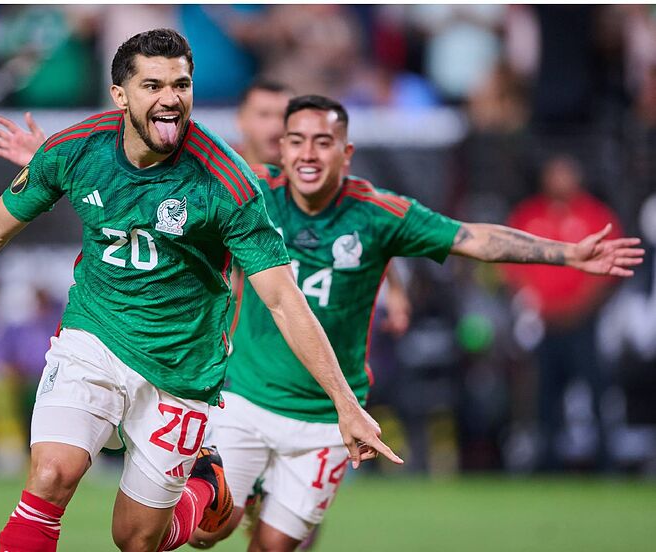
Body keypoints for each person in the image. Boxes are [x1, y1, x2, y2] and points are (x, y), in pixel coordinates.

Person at [0, 30, 399, 552]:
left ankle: (204, 485)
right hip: (94, 338)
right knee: (50, 475)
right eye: (153, 85)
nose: (171, 99)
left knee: (135, 539)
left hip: (181, 367)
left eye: (181, 85)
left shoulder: (227, 184)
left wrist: (345, 405)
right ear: (120, 94)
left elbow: (281, 298)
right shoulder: (76, 149)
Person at [189, 96, 643, 551]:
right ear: (281, 150)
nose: (308, 154)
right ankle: (241, 495)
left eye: (323, 142)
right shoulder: (253, 194)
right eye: (297, 142)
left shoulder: (379, 214)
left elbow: (473, 238)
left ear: (346, 153)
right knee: (210, 531)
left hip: (330, 415)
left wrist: (566, 253)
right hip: (245, 398)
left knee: (276, 547)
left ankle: (264, 496)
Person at [502, 155, 626, 471]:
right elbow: (512, 266)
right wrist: (535, 304)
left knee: (596, 389)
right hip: (544, 324)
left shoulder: (596, 215)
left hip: (584, 322)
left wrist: (577, 308)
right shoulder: (529, 215)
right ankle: (548, 464)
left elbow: (609, 269)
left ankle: (606, 461)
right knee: (545, 395)